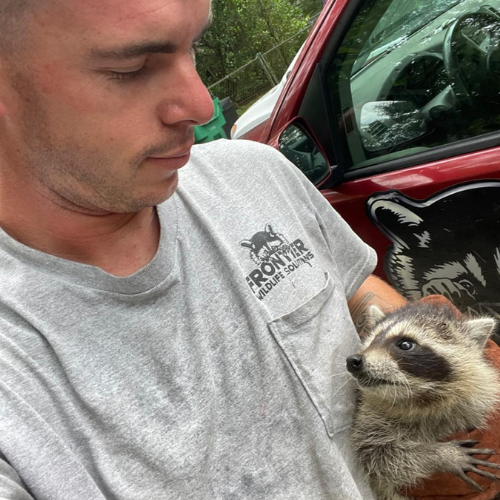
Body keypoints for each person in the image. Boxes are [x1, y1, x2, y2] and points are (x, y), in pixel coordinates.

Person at [0, 0, 496, 499]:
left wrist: (443, 379)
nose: (201, 105)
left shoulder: (257, 173)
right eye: (129, 69)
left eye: (193, 47)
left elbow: (346, 286)